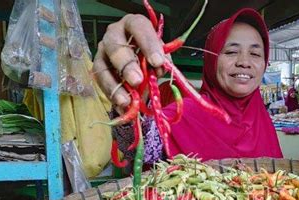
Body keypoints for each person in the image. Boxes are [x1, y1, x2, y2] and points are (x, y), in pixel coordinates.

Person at [93, 8, 283, 163]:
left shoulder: (262, 120)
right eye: (231, 51)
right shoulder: (182, 114)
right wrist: (129, 95)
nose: (244, 62)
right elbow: (135, 149)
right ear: (210, 61)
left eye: (256, 54)